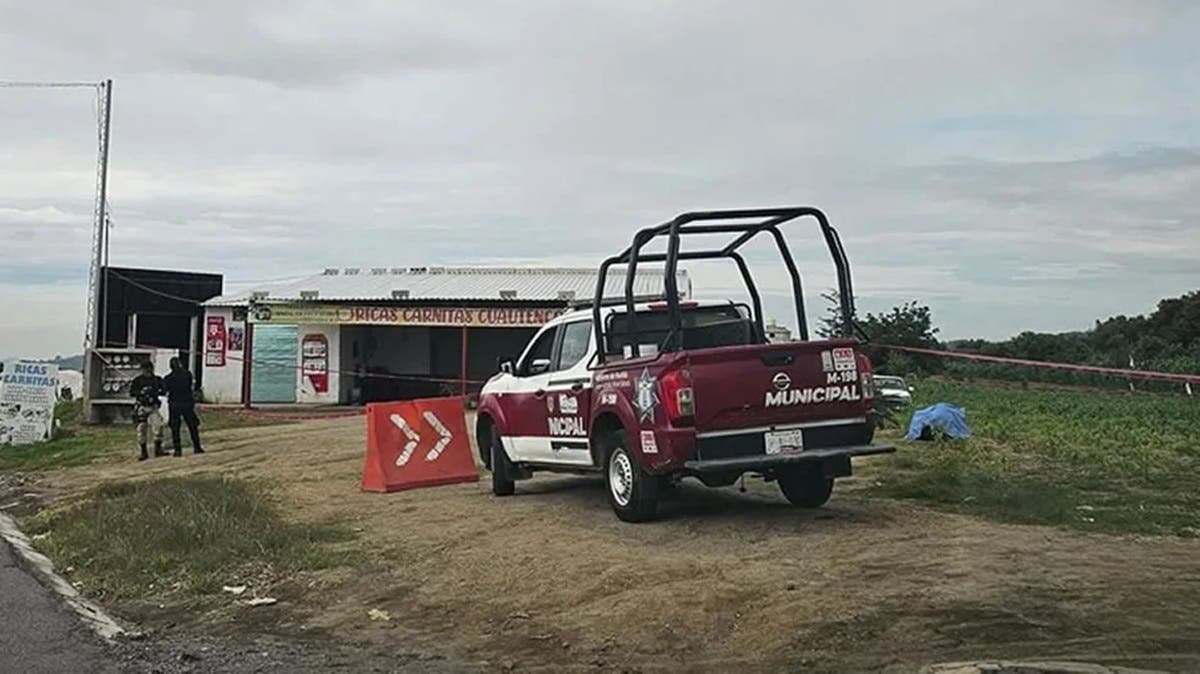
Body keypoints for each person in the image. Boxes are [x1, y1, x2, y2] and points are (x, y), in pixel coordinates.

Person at [163, 357, 204, 456]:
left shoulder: (168, 378)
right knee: (192, 426)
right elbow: (190, 386)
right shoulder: (187, 374)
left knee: (175, 428)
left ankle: (177, 450)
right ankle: (197, 446)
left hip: (174, 404)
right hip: (186, 403)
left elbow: (166, 390)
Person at [129, 362, 167, 461]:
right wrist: (141, 392)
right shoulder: (138, 380)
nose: (148, 371)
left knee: (158, 426)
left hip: (153, 406)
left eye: (149, 369)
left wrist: (155, 391)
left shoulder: (156, 379)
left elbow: (163, 390)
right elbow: (132, 392)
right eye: (145, 369)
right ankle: (143, 451)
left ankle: (158, 448)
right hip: (142, 406)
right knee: (141, 429)